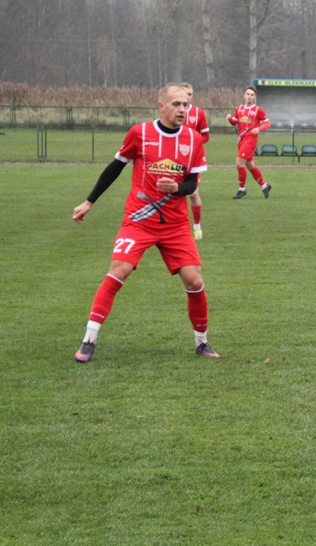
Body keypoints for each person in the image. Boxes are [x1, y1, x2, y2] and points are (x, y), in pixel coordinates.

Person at [71, 84, 218, 362]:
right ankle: (89, 339)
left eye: (185, 105)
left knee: (195, 280)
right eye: (176, 104)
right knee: (119, 270)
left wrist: (177, 188)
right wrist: (89, 201)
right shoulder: (140, 133)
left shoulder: (193, 139)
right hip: (139, 221)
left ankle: (202, 343)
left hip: (175, 225)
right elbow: (115, 167)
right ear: (161, 106)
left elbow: (191, 183)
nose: (182, 110)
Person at [226, 86, 271, 199]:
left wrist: (258, 129)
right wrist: (230, 118)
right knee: (250, 165)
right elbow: (235, 122)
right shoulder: (239, 108)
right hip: (241, 140)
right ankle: (265, 186)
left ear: (254, 97)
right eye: (248, 94)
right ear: (244, 96)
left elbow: (267, 123)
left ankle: (242, 189)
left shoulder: (258, 110)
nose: (249, 97)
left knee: (239, 163)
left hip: (250, 140)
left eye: (252, 95)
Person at [179, 82, 210, 239]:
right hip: (175, 158)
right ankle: (174, 225)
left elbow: (206, 136)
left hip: (193, 159)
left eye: (189, 94)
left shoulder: (198, 113)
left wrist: (193, 143)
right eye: (184, 94)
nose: (187, 97)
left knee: (192, 193)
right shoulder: (173, 112)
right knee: (171, 192)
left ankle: (197, 226)